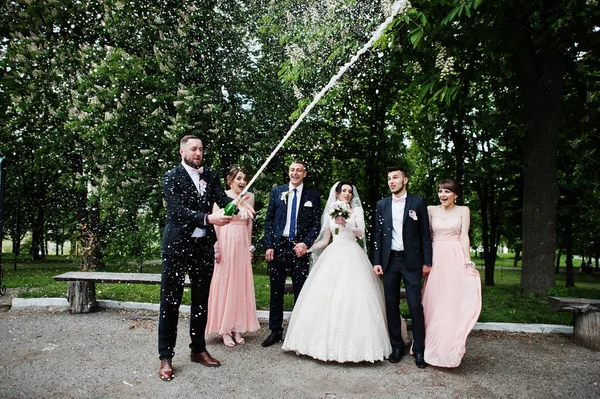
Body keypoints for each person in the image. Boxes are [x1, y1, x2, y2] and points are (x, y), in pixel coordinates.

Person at [158, 135, 253, 381]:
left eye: (201, 148)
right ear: (182, 151)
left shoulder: (209, 175)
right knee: (170, 303)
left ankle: (198, 349)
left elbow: (223, 202)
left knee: (201, 302)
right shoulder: (171, 177)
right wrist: (208, 219)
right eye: (193, 148)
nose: (198, 152)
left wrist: (239, 205)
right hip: (176, 248)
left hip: (202, 249)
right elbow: (177, 211)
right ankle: (165, 357)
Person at [282, 181, 392, 362]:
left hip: (352, 254)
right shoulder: (331, 211)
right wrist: (308, 249)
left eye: (350, 191)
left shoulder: (356, 211)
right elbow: (325, 239)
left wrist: (346, 224)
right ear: (338, 193)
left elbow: (361, 233)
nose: (347, 194)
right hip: (334, 252)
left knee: (355, 296)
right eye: (344, 191)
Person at [373, 166, 432, 369]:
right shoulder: (382, 204)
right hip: (390, 261)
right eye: (389, 178)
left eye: (395, 177)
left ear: (405, 180)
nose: (391, 181)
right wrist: (377, 261)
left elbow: (425, 234)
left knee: (415, 305)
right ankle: (396, 345)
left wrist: (427, 262)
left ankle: (420, 349)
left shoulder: (418, 202)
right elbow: (378, 235)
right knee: (391, 305)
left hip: (412, 262)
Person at [422, 179, 481, 367]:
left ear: (456, 194)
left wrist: (467, 260)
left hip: (455, 256)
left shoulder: (464, 210)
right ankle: (430, 345)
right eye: (440, 191)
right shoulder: (431, 210)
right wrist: (426, 261)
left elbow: (464, 236)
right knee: (435, 301)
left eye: (447, 191)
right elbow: (427, 237)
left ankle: (448, 348)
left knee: (451, 302)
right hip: (436, 257)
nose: (443, 195)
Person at [262, 160, 321, 347]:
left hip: (299, 249)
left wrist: (305, 243)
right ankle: (275, 331)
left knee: (300, 291)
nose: (295, 173)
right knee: (276, 290)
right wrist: (269, 245)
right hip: (279, 246)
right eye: (292, 170)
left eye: (299, 170)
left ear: (305, 173)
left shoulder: (313, 195)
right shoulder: (277, 192)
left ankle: (298, 333)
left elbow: (315, 225)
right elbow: (269, 221)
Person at [206, 166, 260, 347]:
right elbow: (215, 223)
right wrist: (217, 247)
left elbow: (249, 224)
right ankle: (225, 329)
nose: (242, 182)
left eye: (244, 178)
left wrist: (250, 245)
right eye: (238, 178)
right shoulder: (222, 196)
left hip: (242, 243)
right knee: (225, 284)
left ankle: (237, 327)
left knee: (239, 285)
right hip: (226, 241)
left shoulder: (250, 197)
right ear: (231, 180)